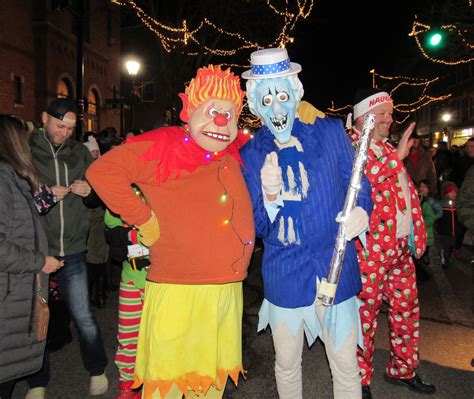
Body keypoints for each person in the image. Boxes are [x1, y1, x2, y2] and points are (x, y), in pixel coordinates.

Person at [86, 65, 255, 399]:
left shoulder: (232, 155)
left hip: (226, 291)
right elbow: (103, 171)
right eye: (211, 111)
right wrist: (143, 218)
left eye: (229, 113)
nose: (221, 121)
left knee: (209, 381)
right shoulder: (166, 143)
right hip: (180, 290)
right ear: (189, 112)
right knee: (171, 383)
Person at [240, 48, 372, 399]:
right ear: (255, 106)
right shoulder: (250, 155)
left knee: (345, 363)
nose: (277, 108)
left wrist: (362, 211)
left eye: (282, 96)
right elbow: (257, 226)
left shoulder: (329, 132)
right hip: (285, 275)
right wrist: (269, 196)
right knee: (286, 364)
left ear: (296, 94)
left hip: (335, 268)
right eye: (266, 100)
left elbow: (358, 184)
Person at [347, 88, 435, 398]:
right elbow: (358, 182)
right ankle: (359, 380)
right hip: (369, 252)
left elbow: (407, 196)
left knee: (406, 311)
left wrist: (417, 235)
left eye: (389, 113)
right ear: (361, 118)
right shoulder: (352, 147)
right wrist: (397, 157)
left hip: (400, 250)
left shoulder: (384, 148)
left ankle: (403, 369)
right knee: (365, 318)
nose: (389, 118)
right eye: (381, 113)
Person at [27, 98, 109, 399]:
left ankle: (97, 370)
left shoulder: (79, 152)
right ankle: (37, 381)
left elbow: (97, 194)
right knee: (37, 317)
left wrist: (89, 193)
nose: (65, 133)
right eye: (60, 126)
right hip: (38, 250)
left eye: (71, 129)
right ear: (44, 118)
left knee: (83, 314)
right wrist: (42, 195)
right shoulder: (26, 149)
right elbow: (17, 198)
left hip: (73, 248)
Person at [0, 115, 64, 399]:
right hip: (7, 296)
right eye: (25, 139)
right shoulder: (2, 180)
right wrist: (41, 262)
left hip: (13, 295)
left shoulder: (11, 178)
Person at [104, 197, 149, 399]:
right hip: (132, 277)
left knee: (159, 337)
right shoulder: (129, 190)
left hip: (162, 282)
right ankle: (127, 383)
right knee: (128, 334)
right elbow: (111, 221)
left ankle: (154, 383)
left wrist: (131, 232)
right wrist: (132, 232)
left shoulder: (167, 183)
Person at [436, 181, 465, 267]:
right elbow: (436, 216)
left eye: (455, 192)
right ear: (445, 193)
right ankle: (444, 259)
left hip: (454, 231)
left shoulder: (458, 204)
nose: (454, 194)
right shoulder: (440, 204)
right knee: (446, 247)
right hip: (444, 231)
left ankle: (448, 255)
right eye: (451, 192)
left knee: (452, 245)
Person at [415, 180, 440, 281]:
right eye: (420, 187)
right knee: (419, 257)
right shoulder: (417, 200)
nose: (421, 189)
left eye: (424, 187)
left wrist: (420, 222)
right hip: (417, 235)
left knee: (423, 257)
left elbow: (433, 215)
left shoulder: (426, 202)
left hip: (426, 236)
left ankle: (426, 274)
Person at [403, 130, 437, 196]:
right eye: (412, 140)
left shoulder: (425, 155)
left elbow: (431, 173)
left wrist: (433, 190)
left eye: (416, 140)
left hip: (422, 189)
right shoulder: (403, 155)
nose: (414, 142)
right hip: (407, 189)